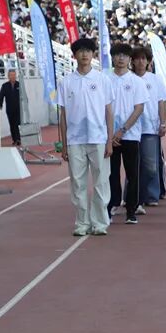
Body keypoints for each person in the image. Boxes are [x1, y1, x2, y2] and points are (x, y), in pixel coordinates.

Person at [58, 38, 113, 236]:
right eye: (80, 51)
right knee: (78, 184)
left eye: (88, 51)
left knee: (101, 182)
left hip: (98, 138)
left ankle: (100, 223)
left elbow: (109, 112)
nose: (84, 55)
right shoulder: (66, 82)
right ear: (74, 55)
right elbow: (63, 116)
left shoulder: (102, 80)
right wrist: (64, 145)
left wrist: (109, 140)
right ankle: (82, 223)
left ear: (93, 54)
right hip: (75, 140)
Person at [107, 42, 148, 224]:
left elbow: (139, 108)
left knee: (132, 174)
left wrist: (122, 130)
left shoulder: (137, 82)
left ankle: (131, 209)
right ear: (113, 58)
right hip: (108, 136)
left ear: (129, 59)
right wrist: (111, 133)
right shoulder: (104, 79)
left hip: (130, 135)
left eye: (124, 55)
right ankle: (112, 204)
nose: (121, 59)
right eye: (117, 55)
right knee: (111, 173)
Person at [131, 46, 166, 209]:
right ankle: (132, 196)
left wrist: (162, 123)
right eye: (137, 58)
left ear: (148, 61)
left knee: (151, 165)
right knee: (132, 164)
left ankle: (151, 194)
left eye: (144, 58)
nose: (141, 61)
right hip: (130, 129)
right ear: (132, 61)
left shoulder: (155, 80)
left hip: (150, 128)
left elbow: (161, 102)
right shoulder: (129, 79)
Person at [0, 69, 22, 146]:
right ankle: (14, 139)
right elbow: (1, 96)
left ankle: (18, 139)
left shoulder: (19, 84)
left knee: (18, 124)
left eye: (14, 75)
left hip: (18, 108)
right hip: (9, 109)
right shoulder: (5, 86)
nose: (13, 76)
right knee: (12, 125)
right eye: (11, 75)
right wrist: (0, 104)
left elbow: (24, 95)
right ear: (8, 76)